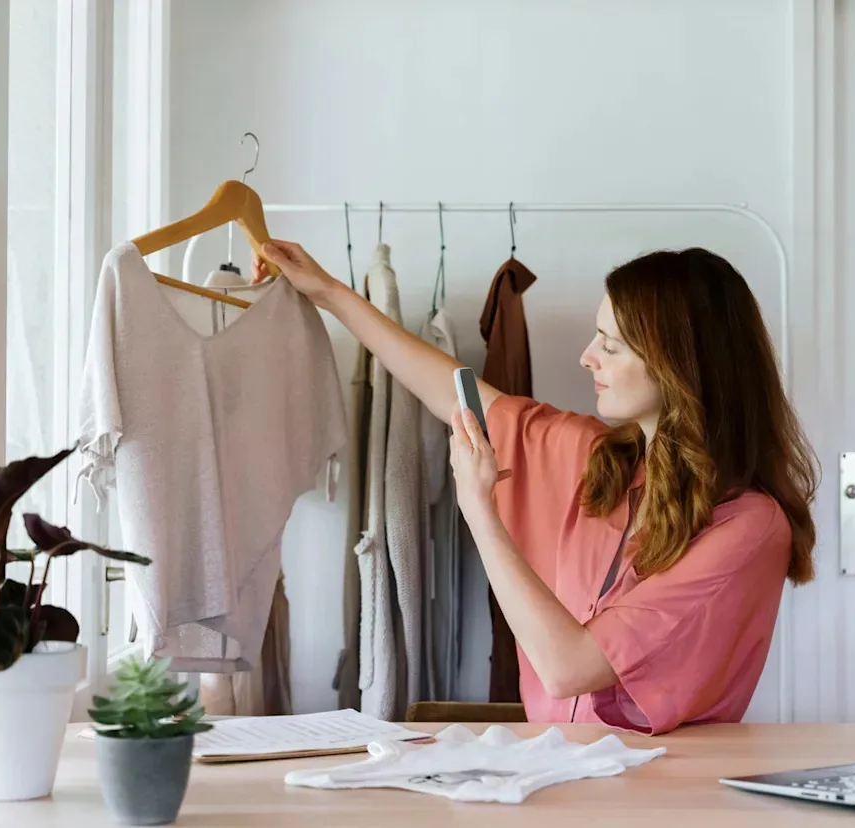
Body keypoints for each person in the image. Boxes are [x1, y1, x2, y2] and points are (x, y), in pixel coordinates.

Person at [253, 241, 818, 735]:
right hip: (556, 772)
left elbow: (569, 668)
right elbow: (454, 394)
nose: (587, 357)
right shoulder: (598, 459)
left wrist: (479, 511)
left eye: (611, 345)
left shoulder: (748, 527)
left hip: (659, 792)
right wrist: (328, 292)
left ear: (679, 366)